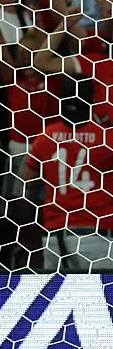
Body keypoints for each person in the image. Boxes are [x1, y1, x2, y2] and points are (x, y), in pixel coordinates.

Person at [22, 75, 113, 272]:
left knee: (57, 300)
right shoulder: (107, 138)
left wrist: (55, 177)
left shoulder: (46, 136)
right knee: (100, 300)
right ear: (91, 101)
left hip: (55, 237)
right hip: (96, 235)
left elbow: (28, 180)